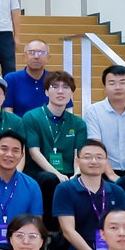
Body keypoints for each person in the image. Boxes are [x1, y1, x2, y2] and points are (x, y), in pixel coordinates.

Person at [53, 140, 125, 250]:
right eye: (87, 157)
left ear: (106, 162)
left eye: (99, 157)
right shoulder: (65, 189)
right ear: (78, 161)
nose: (94, 161)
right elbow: (68, 231)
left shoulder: (116, 191)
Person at [22, 70, 86, 211]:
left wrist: (76, 174)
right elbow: (34, 152)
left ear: (71, 94)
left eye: (66, 87)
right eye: (55, 87)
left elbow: (79, 155)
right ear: (46, 92)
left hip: (69, 171)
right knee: (50, 179)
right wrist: (57, 174)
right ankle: (51, 229)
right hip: (40, 171)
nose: (60, 91)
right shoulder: (32, 117)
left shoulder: (78, 123)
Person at [84, 65, 125, 178]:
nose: (118, 87)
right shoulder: (93, 111)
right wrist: (111, 175)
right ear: (104, 87)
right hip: (101, 171)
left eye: (122, 82)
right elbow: (96, 146)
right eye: (112, 83)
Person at [4, 40, 51, 115]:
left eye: (41, 53)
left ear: (48, 57)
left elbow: (66, 109)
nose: (36, 56)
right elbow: (7, 110)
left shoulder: (55, 79)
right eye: (31, 52)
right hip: (20, 125)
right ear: (24, 57)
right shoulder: (11, 79)